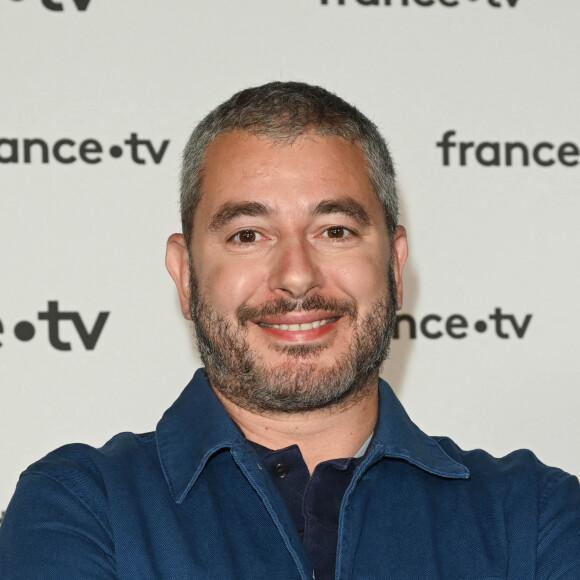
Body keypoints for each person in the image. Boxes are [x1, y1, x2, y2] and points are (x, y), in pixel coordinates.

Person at [1, 82, 579, 579]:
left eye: (335, 230)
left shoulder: (533, 516)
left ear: (396, 266)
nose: (297, 276)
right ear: (185, 274)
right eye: (248, 234)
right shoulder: (80, 507)